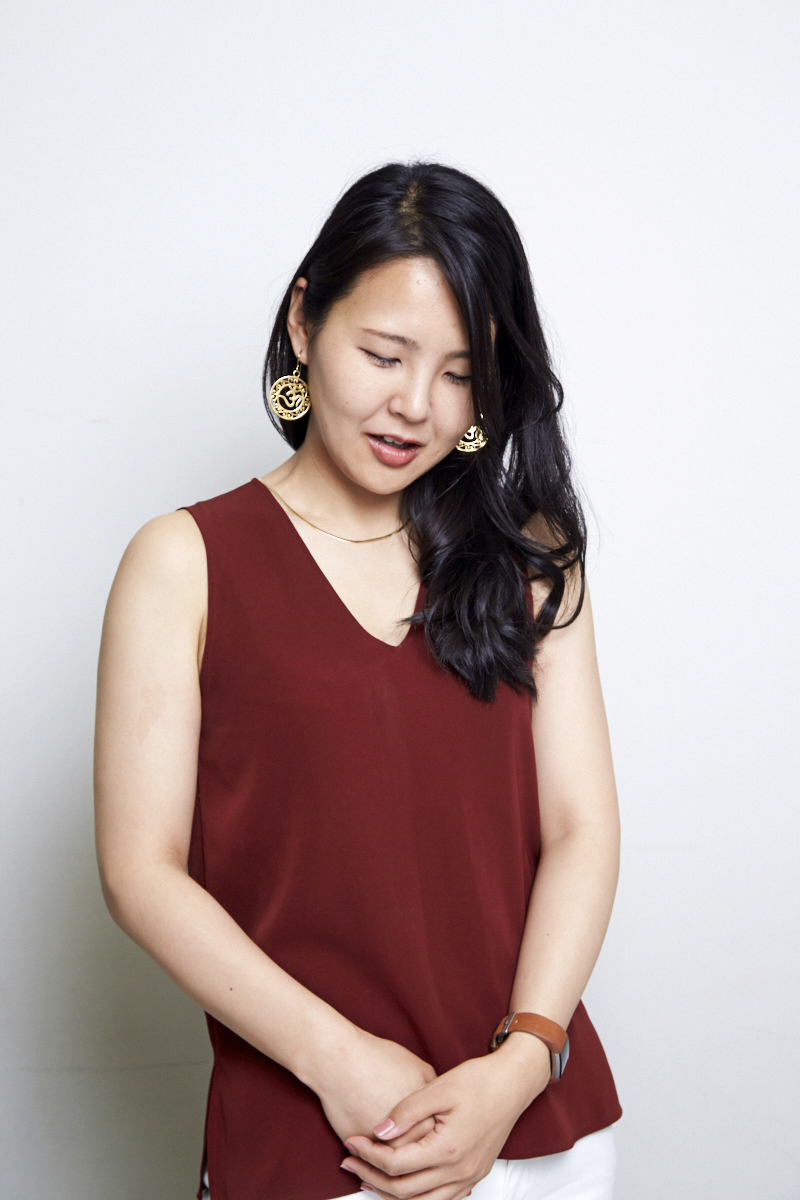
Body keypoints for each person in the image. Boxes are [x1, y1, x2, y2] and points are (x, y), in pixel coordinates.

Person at [94, 161, 622, 1200]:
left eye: (460, 374)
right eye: (383, 354)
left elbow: (581, 829)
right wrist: (336, 1060)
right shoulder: (184, 561)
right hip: (320, 1140)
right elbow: (140, 872)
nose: (414, 406)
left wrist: (522, 1062)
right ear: (304, 321)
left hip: (535, 1132)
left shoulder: (528, 556)